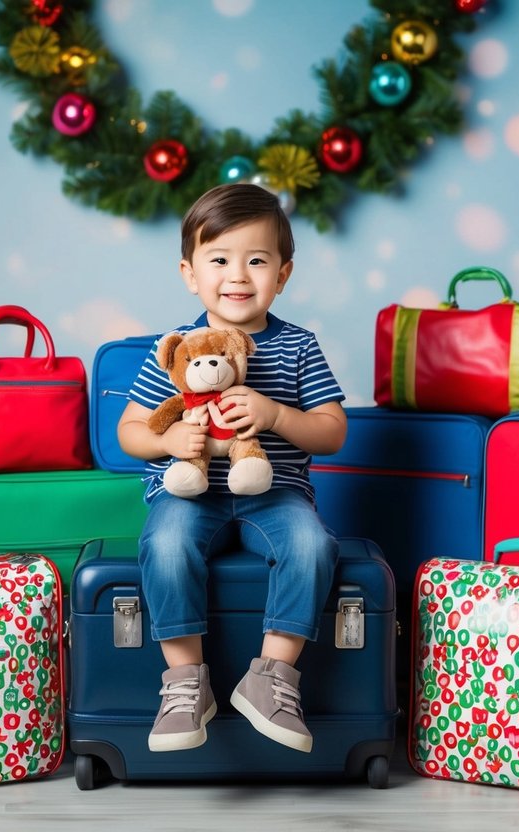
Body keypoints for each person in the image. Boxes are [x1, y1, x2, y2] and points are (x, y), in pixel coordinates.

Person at [117, 183, 348, 754]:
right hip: (189, 494)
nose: (238, 275)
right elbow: (128, 431)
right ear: (190, 273)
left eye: (257, 260)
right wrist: (168, 438)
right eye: (219, 259)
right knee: (166, 544)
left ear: (284, 274)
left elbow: (333, 430)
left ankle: (270, 676)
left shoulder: (297, 346)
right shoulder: (176, 348)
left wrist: (275, 414)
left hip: (274, 494)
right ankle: (186, 683)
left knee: (314, 546)